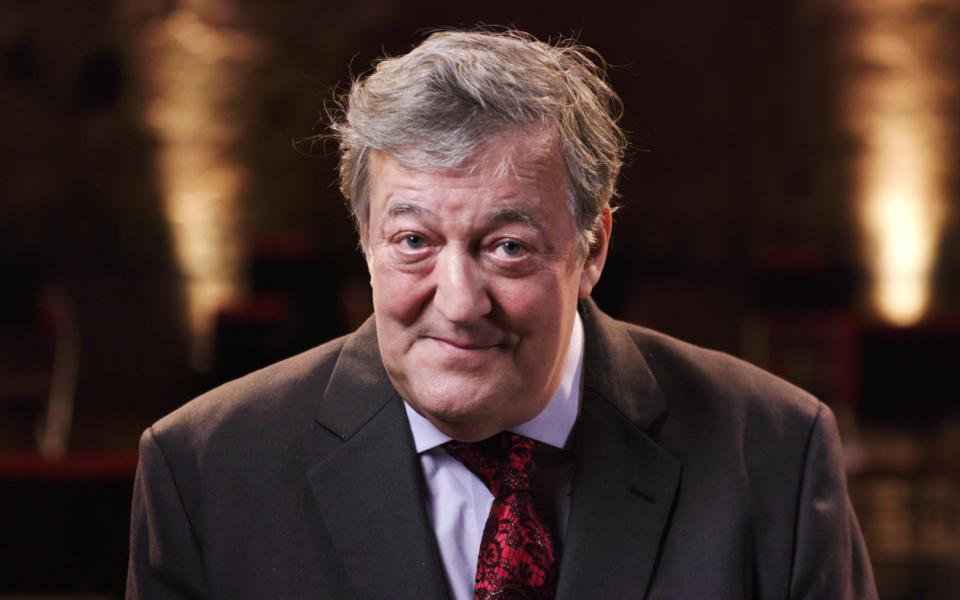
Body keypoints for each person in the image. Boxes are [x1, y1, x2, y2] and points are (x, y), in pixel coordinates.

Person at [126, 29, 878, 600]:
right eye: (414, 241)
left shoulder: (777, 455)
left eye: (508, 247)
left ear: (591, 251)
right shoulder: (204, 472)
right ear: (365, 241)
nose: (458, 303)